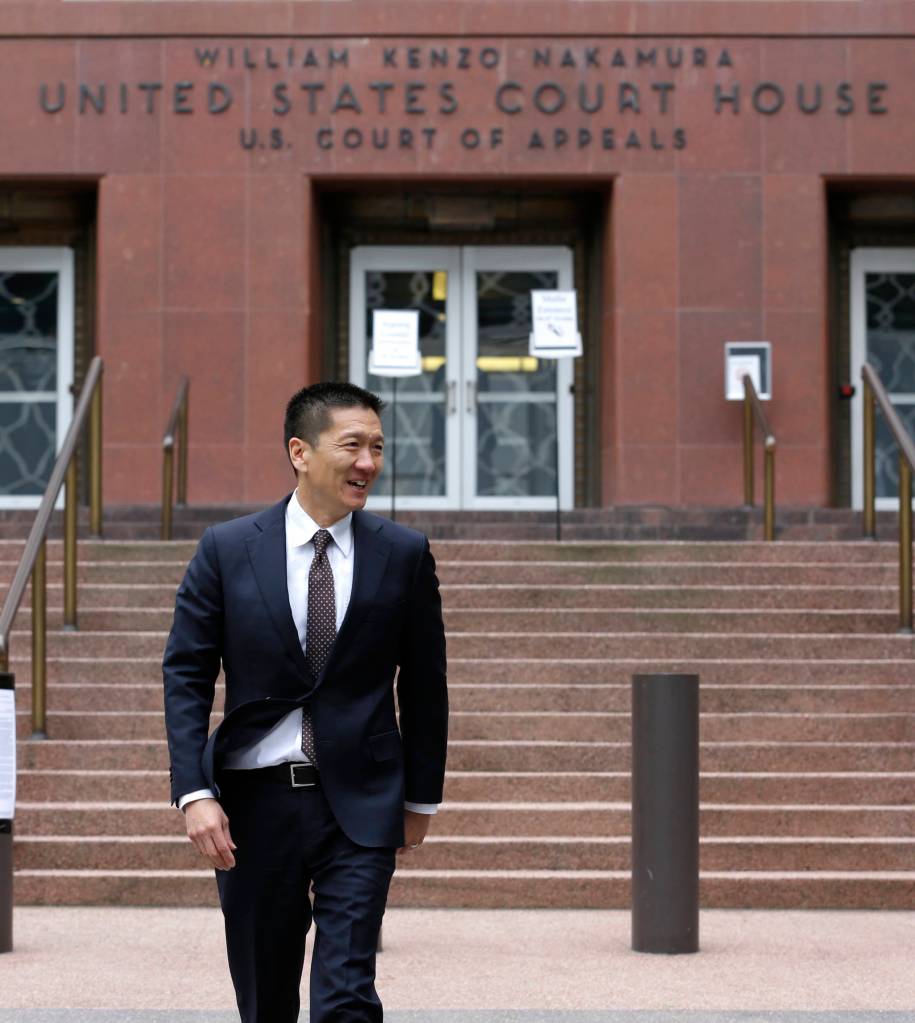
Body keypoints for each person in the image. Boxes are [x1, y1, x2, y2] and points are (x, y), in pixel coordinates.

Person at [162, 381, 449, 1023]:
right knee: (265, 996)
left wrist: (420, 795)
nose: (368, 463)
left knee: (347, 993)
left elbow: (426, 684)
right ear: (300, 451)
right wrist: (195, 791)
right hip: (254, 801)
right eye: (352, 445)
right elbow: (185, 672)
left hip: (363, 798)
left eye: (377, 447)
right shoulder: (228, 548)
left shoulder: (402, 554)